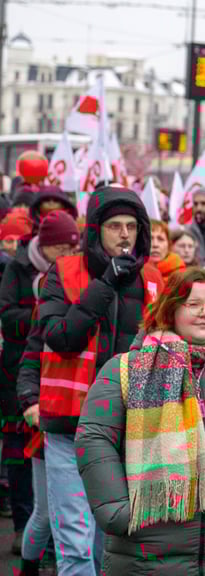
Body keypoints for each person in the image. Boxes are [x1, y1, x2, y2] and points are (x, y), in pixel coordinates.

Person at [74, 268, 205, 573]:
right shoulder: (125, 368)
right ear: (171, 307)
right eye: (194, 304)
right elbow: (93, 438)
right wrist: (117, 510)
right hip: (146, 554)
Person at [21, 186, 162, 576]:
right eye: (115, 225)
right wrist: (105, 284)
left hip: (127, 428)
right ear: (96, 229)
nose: (124, 235)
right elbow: (60, 337)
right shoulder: (64, 272)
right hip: (70, 426)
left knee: (111, 540)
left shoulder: (152, 279)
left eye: (132, 226)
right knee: (74, 542)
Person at [0, 210, 78, 566]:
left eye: (69, 248)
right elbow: (22, 337)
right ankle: (28, 557)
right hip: (36, 396)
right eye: (57, 248)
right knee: (44, 511)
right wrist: (30, 399)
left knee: (77, 517)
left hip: (75, 405)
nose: (63, 255)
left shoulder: (85, 287)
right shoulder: (21, 272)